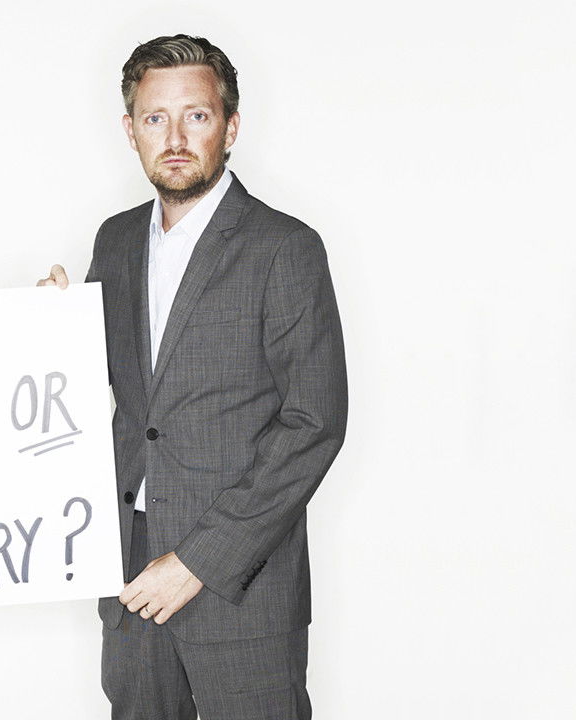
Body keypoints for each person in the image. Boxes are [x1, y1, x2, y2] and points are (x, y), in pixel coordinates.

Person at [40, 35, 347, 719]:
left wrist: (198, 561)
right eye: (156, 118)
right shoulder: (115, 240)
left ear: (230, 127)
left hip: (241, 583)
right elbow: (98, 389)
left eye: (196, 116)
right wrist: (48, 334)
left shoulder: (285, 248)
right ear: (131, 131)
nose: (174, 138)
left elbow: (315, 425)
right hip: (129, 575)